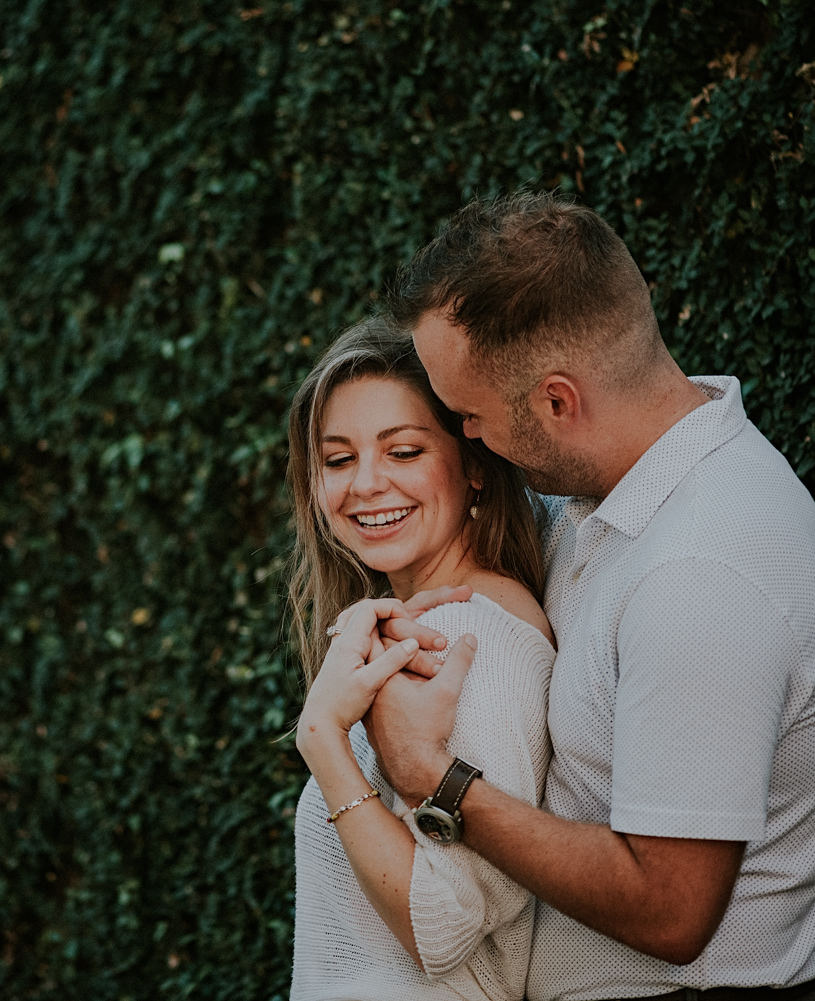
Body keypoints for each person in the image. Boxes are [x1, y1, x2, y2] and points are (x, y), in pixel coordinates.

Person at [359, 193, 815, 1001]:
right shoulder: (609, 494)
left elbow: (670, 911)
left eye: (470, 415)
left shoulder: (702, 572)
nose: (468, 440)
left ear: (558, 402)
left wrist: (434, 774)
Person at [285, 316, 558, 1001]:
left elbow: (442, 924)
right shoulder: (417, 626)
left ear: (471, 468)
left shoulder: (468, 639)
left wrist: (322, 740)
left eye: (403, 451)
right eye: (338, 459)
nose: (367, 484)